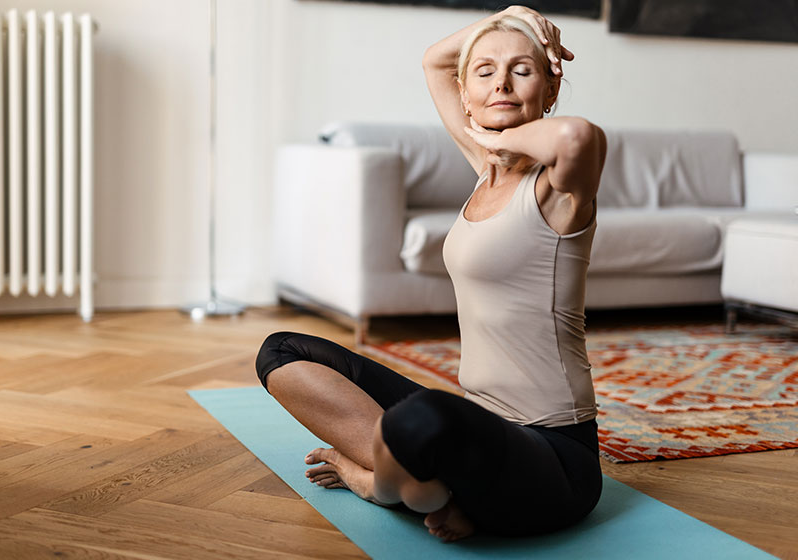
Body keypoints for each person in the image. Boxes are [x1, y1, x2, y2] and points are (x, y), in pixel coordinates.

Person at [255, 5, 607, 543]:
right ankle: (435, 484)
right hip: (476, 427)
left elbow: (578, 139)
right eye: (484, 72)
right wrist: (508, 14)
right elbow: (433, 61)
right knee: (283, 352)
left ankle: (377, 482)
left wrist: (490, 138)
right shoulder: (485, 172)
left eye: (523, 69)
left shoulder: (556, 190)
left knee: (425, 418)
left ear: (550, 90)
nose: (502, 84)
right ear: (464, 94)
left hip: (556, 457)